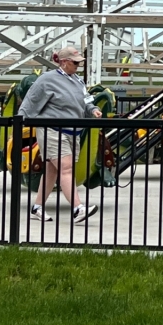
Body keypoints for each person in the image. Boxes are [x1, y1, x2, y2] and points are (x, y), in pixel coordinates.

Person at [18, 46, 102, 223]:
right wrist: (19, 123)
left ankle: (37, 207)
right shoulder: (46, 80)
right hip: (52, 130)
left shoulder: (78, 80)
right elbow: (29, 103)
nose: (78, 65)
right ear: (64, 62)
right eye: (75, 62)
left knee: (52, 171)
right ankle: (78, 208)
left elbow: (87, 100)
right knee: (66, 167)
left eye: (79, 62)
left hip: (72, 131)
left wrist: (93, 110)